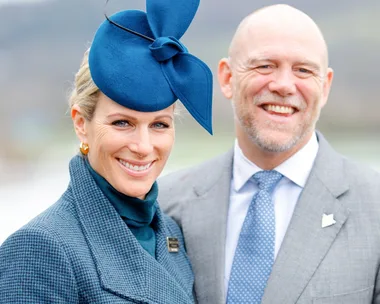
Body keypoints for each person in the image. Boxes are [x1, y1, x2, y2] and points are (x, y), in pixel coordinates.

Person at [158, 4, 380, 304]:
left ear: (325, 87)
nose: (284, 85)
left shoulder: (375, 207)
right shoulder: (166, 205)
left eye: (303, 70)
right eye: (264, 65)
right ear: (226, 78)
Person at [0, 0, 213, 302]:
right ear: (81, 123)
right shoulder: (39, 248)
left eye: (159, 125)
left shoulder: (171, 235)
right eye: (123, 122)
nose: (143, 147)